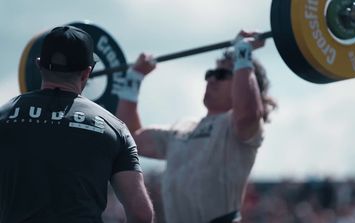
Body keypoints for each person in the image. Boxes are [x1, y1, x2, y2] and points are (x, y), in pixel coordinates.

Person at [114, 30, 277, 223]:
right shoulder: (182, 127)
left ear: (247, 82)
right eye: (210, 73)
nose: (211, 79)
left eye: (222, 74)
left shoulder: (240, 127)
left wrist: (243, 53)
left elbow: (248, 114)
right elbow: (130, 138)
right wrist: (134, 78)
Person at [0, 26, 154, 223]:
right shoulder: (114, 129)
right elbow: (140, 214)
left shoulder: (3, 117)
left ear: (39, 65)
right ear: (86, 73)